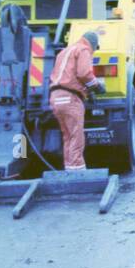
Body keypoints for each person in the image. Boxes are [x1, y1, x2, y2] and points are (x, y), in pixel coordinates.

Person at [49, 30, 107, 170]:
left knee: (68, 136)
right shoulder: (83, 49)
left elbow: (69, 76)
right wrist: (97, 86)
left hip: (56, 97)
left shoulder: (65, 51)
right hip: (70, 98)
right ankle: (78, 171)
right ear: (93, 43)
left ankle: (69, 168)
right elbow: (84, 74)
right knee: (76, 135)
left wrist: (87, 92)